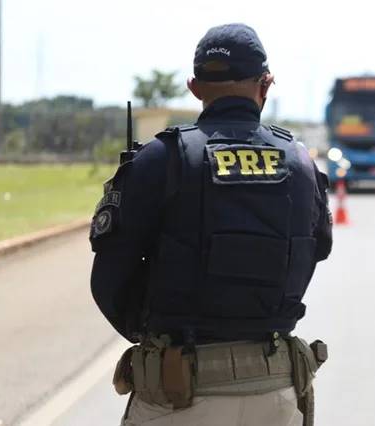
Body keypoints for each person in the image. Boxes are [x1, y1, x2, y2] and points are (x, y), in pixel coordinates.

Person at [90, 23, 332, 426]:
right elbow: (318, 248)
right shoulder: (300, 162)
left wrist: (156, 333)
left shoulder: (161, 158)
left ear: (194, 87)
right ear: (266, 84)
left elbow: (110, 280)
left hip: (178, 392)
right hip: (276, 392)